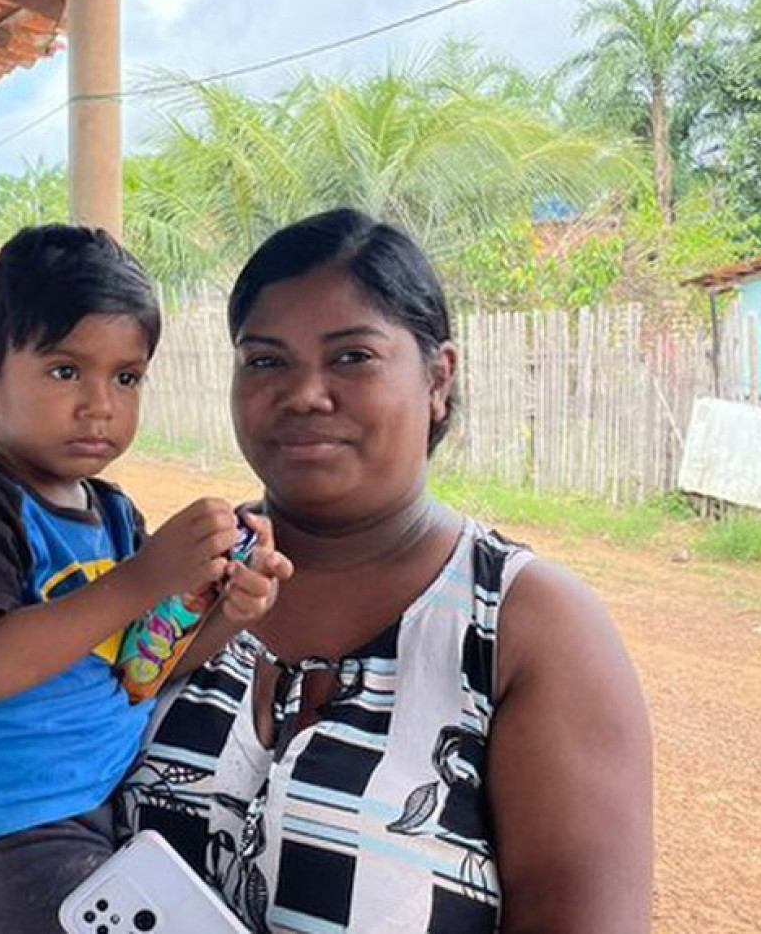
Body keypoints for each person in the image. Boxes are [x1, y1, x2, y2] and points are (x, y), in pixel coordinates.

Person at [121, 209, 654, 933]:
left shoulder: (523, 625)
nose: (305, 393)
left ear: (438, 377)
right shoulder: (179, 573)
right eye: (266, 360)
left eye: (351, 357)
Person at [0, 225, 291, 934]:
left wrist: (226, 610)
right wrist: (144, 575)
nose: (99, 404)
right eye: (66, 370)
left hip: (76, 815)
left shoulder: (112, 513)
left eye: (125, 377)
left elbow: (140, 669)